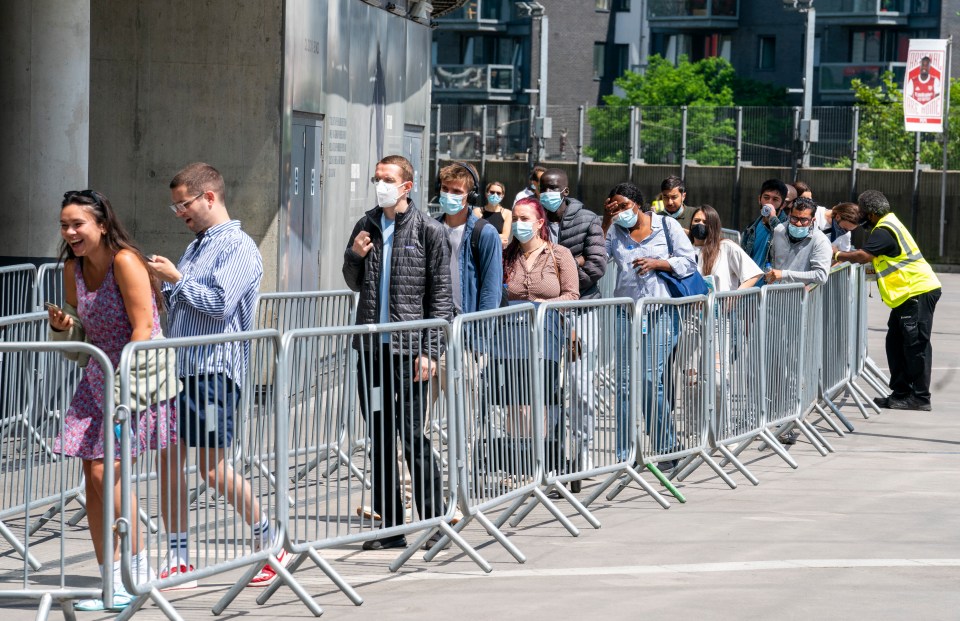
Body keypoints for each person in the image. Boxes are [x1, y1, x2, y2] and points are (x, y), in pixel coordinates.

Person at [147, 163, 277, 588]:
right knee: (169, 461)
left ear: (209, 197)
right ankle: (179, 557)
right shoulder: (198, 246)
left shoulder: (238, 246)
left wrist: (176, 279)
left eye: (183, 204)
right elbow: (185, 303)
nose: (180, 212)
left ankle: (270, 543)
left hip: (213, 370)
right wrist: (163, 285)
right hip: (181, 367)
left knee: (211, 467)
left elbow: (219, 304)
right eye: (175, 207)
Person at [49, 190, 176, 610]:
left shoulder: (126, 261)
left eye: (78, 224)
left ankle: (137, 573)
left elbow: (143, 329)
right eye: (65, 225)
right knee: (92, 477)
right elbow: (78, 341)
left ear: (102, 225)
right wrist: (64, 326)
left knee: (110, 474)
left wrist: (119, 387)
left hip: (134, 379)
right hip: (96, 376)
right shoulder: (73, 268)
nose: (70, 232)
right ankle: (111, 581)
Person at [342, 154, 452, 551]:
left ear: (406, 186)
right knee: (380, 435)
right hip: (373, 351)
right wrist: (354, 254)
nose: (380, 184)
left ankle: (435, 521)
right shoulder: (366, 224)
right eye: (376, 178)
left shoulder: (429, 231)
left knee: (412, 435)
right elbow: (353, 282)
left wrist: (430, 351)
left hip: (410, 354)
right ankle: (390, 525)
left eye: (387, 178)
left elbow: (441, 295)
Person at [602, 182, 698, 472]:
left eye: (622, 206)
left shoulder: (666, 226)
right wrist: (607, 220)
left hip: (660, 312)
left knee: (648, 378)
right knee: (624, 383)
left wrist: (659, 263)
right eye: (613, 207)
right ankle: (624, 453)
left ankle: (666, 445)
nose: (619, 212)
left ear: (637, 204)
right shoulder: (615, 231)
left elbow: (689, 262)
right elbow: (599, 256)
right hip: (626, 312)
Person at [835, 190, 941, 411]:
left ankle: (920, 397)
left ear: (872, 213)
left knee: (915, 345)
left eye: (862, 212)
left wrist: (837, 255)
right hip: (905, 296)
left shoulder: (884, 230)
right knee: (895, 343)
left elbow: (863, 256)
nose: (860, 216)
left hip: (917, 292)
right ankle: (901, 392)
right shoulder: (887, 225)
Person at [537, 167, 606, 475]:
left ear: (564, 191)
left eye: (552, 188)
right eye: (542, 188)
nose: (546, 194)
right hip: (546, 315)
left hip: (583, 310)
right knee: (548, 385)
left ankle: (583, 450)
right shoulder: (533, 220)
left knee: (579, 385)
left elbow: (596, 266)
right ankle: (551, 453)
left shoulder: (588, 220)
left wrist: (560, 276)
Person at [689, 205, 763, 291]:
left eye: (705, 222)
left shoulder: (726, 247)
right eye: (696, 221)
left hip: (722, 303)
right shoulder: (686, 251)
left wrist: (735, 296)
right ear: (691, 224)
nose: (700, 224)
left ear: (713, 226)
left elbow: (753, 274)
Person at [764, 196, 832, 287]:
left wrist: (784, 275)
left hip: (801, 298)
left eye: (804, 220)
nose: (798, 223)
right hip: (775, 295)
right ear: (789, 216)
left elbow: (821, 276)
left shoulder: (820, 241)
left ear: (813, 220)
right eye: (794, 218)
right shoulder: (779, 231)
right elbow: (772, 261)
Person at [741, 178, 790, 270]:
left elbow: (784, 241)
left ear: (783, 205)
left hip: (771, 283)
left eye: (775, 199)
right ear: (759, 199)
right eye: (766, 197)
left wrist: (772, 218)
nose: (769, 203)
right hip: (751, 283)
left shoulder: (788, 227)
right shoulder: (751, 228)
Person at [480, 180, 513, 246]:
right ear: (486, 193)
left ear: (502, 196)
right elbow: (475, 234)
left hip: (497, 251)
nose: (495, 195)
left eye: (498, 193)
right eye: (492, 192)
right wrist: (498, 239)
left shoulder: (507, 213)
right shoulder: (478, 211)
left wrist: (484, 236)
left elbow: (505, 236)